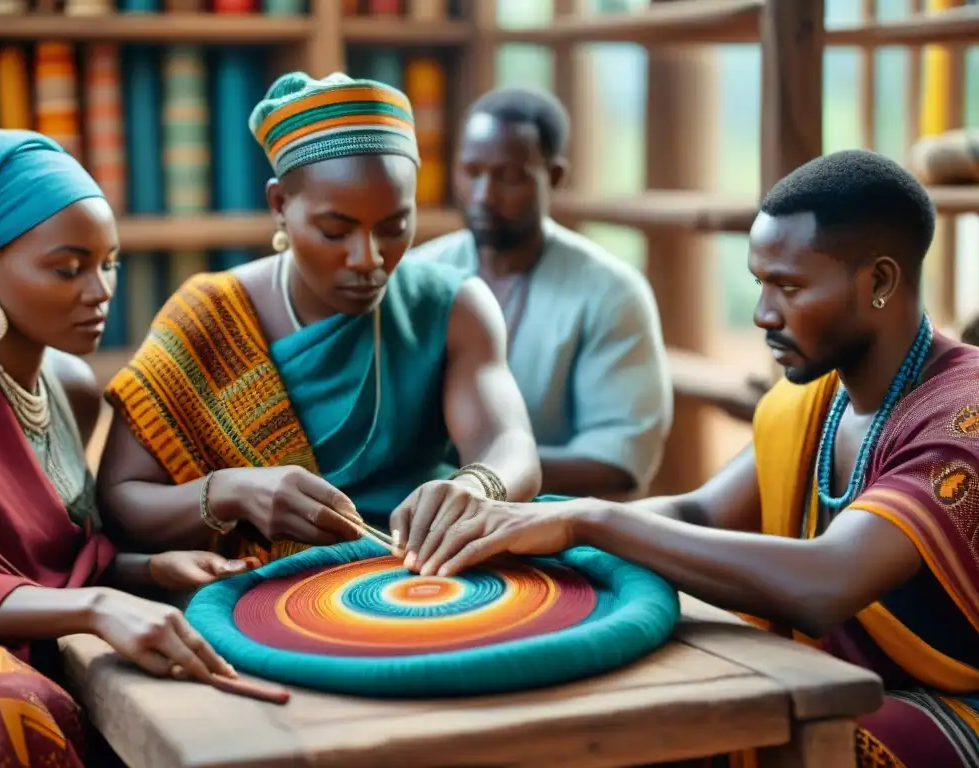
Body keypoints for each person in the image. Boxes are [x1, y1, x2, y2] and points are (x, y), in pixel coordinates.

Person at [393, 150, 979, 767]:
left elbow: (825, 582)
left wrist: (589, 521)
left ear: (881, 282)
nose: (763, 314)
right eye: (759, 283)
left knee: (725, 737)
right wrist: (532, 529)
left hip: (947, 706)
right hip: (827, 677)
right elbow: (699, 511)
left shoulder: (961, 417)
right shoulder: (824, 401)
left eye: (790, 286)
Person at [97, 72, 542, 568]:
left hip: (425, 568)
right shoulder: (209, 318)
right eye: (336, 230)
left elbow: (510, 445)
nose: (368, 258)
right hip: (262, 594)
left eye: (395, 227)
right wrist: (233, 491)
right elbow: (120, 501)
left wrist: (476, 486)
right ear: (280, 206)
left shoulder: (452, 305)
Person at [0, 128, 257, 767]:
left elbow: (49, 559)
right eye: (69, 268)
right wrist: (95, 606)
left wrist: (148, 570)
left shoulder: (70, 385)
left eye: (109, 262)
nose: (100, 291)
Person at [409, 86, 672, 500]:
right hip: (423, 516)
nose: (483, 195)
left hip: (561, 527)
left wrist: (475, 476)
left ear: (554, 177)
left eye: (508, 176)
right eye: (471, 171)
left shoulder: (610, 292)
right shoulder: (418, 275)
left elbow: (618, 465)